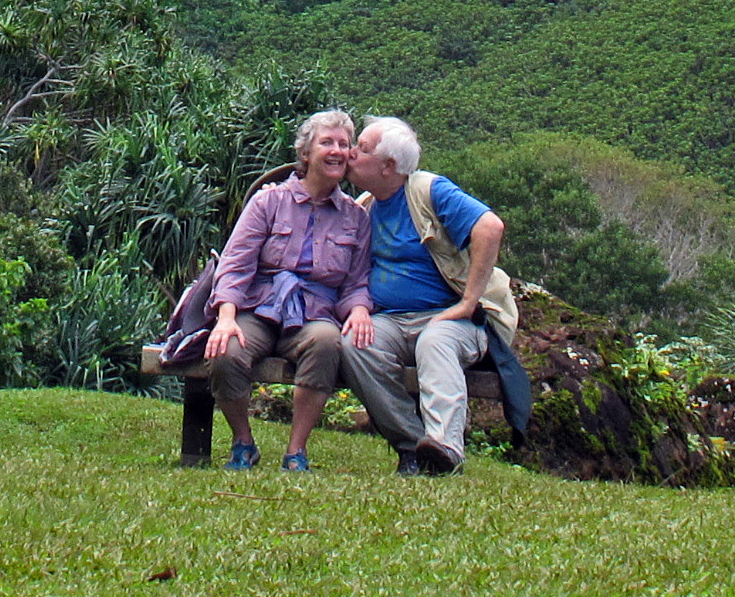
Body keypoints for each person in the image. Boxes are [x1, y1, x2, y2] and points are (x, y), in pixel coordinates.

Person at [341, 115, 514, 475]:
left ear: (388, 166)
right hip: (392, 320)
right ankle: (414, 447)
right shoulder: (367, 204)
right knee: (355, 345)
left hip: (450, 318)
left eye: (363, 148)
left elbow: (490, 227)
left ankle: (446, 447)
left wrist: (468, 303)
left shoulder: (428, 191)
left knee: (435, 341)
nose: (352, 153)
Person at [202, 110, 373, 470]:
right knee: (226, 351)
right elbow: (235, 264)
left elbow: (356, 282)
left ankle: (296, 451)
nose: (336, 151)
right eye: (326, 142)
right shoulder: (268, 202)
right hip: (259, 308)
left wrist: (359, 309)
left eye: (343, 144)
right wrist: (226, 316)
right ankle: (243, 442)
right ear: (306, 153)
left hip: (315, 313)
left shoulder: (356, 218)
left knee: (326, 342)